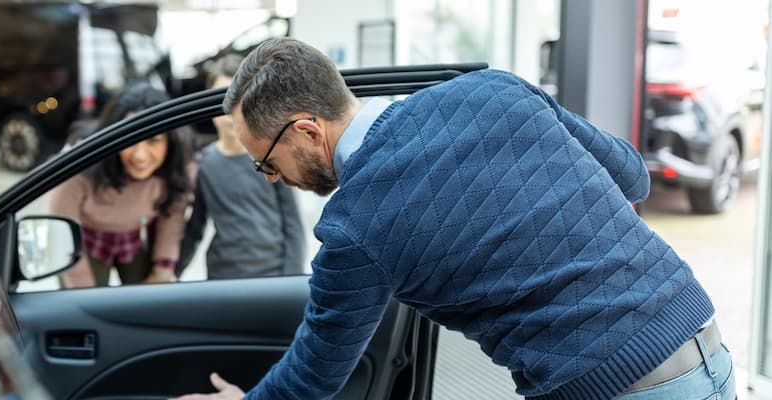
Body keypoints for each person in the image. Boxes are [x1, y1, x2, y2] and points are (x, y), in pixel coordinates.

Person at [176, 38, 733, 400]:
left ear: (305, 129)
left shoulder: (354, 225)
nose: (270, 176)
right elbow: (632, 177)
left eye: (266, 162)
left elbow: (317, 368)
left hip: (611, 386)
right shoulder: (493, 89)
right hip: (703, 339)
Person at [50, 83, 194, 288]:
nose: (140, 155)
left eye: (153, 140)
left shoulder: (179, 165)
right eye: (131, 139)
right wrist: (84, 298)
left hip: (137, 236)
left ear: (170, 140)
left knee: (149, 304)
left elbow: (172, 217)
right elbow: (63, 235)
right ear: (113, 135)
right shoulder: (79, 164)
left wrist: (162, 269)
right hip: (85, 241)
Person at [178, 54, 306, 279]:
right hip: (223, 276)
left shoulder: (271, 155)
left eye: (237, 99)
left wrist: (290, 279)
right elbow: (195, 228)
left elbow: (293, 225)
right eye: (221, 98)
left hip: (271, 274)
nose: (228, 110)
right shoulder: (203, 164)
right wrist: (169, 271)